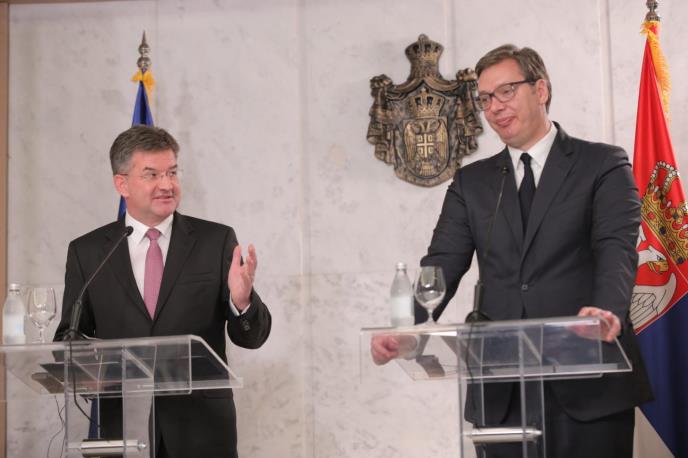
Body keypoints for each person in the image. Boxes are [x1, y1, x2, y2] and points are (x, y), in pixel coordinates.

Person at [371, 44, 652, 458]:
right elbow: (442, 263)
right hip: (502, 389)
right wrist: (407, 329)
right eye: (485, 98)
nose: (495, 107)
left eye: (506, 91)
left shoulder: (602, 164)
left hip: (589, 381)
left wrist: (605, 310)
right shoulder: (472, 183)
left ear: (541, 90)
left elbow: (617, 248)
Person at [54, 125, 271, 458]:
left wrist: (241, 302)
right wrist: (90, 370)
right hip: (123, 430)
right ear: (121, 184)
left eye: (171, 172)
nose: (167, 184)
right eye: (152, 174)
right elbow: (68, 339)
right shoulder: (89, 252)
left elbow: (252, 337)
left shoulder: (216, 241)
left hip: (202, 432)